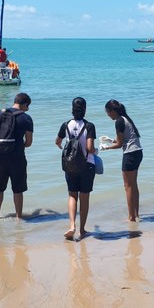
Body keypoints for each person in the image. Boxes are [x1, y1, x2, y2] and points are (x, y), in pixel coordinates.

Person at [55, 97, 96, 239]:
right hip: (87, 165)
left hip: (70, 165)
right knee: (84, 197)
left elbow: (58, 142)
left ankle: (72, 226)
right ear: (85, 109)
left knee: (72, 194)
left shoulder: (65, 125)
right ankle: (83, 230)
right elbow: (90, 148)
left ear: (72, 109)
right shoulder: (89, 126)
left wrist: (62, 146)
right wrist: (96, 151)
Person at [0, 93, 33, 219]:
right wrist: (22, 145)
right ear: (24, 104)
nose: (28, 109)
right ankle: (18, 218)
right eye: (28, 106)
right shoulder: (26, 118)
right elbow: (29, 142)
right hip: (17, 158)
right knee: (18, 190)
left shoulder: (0, 113)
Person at [104, 100, 143, 222]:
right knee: (134, 185)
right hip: (138, 152)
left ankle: (131, 216)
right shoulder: (126, 119)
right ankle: (136, 214)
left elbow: (120, 144)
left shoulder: (119, 121)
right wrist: (110, 141)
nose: (108, 115)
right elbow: (123, 139)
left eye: (108, 112)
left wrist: (106, 148)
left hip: (130, 154)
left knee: (128, 186)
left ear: (113, 111)